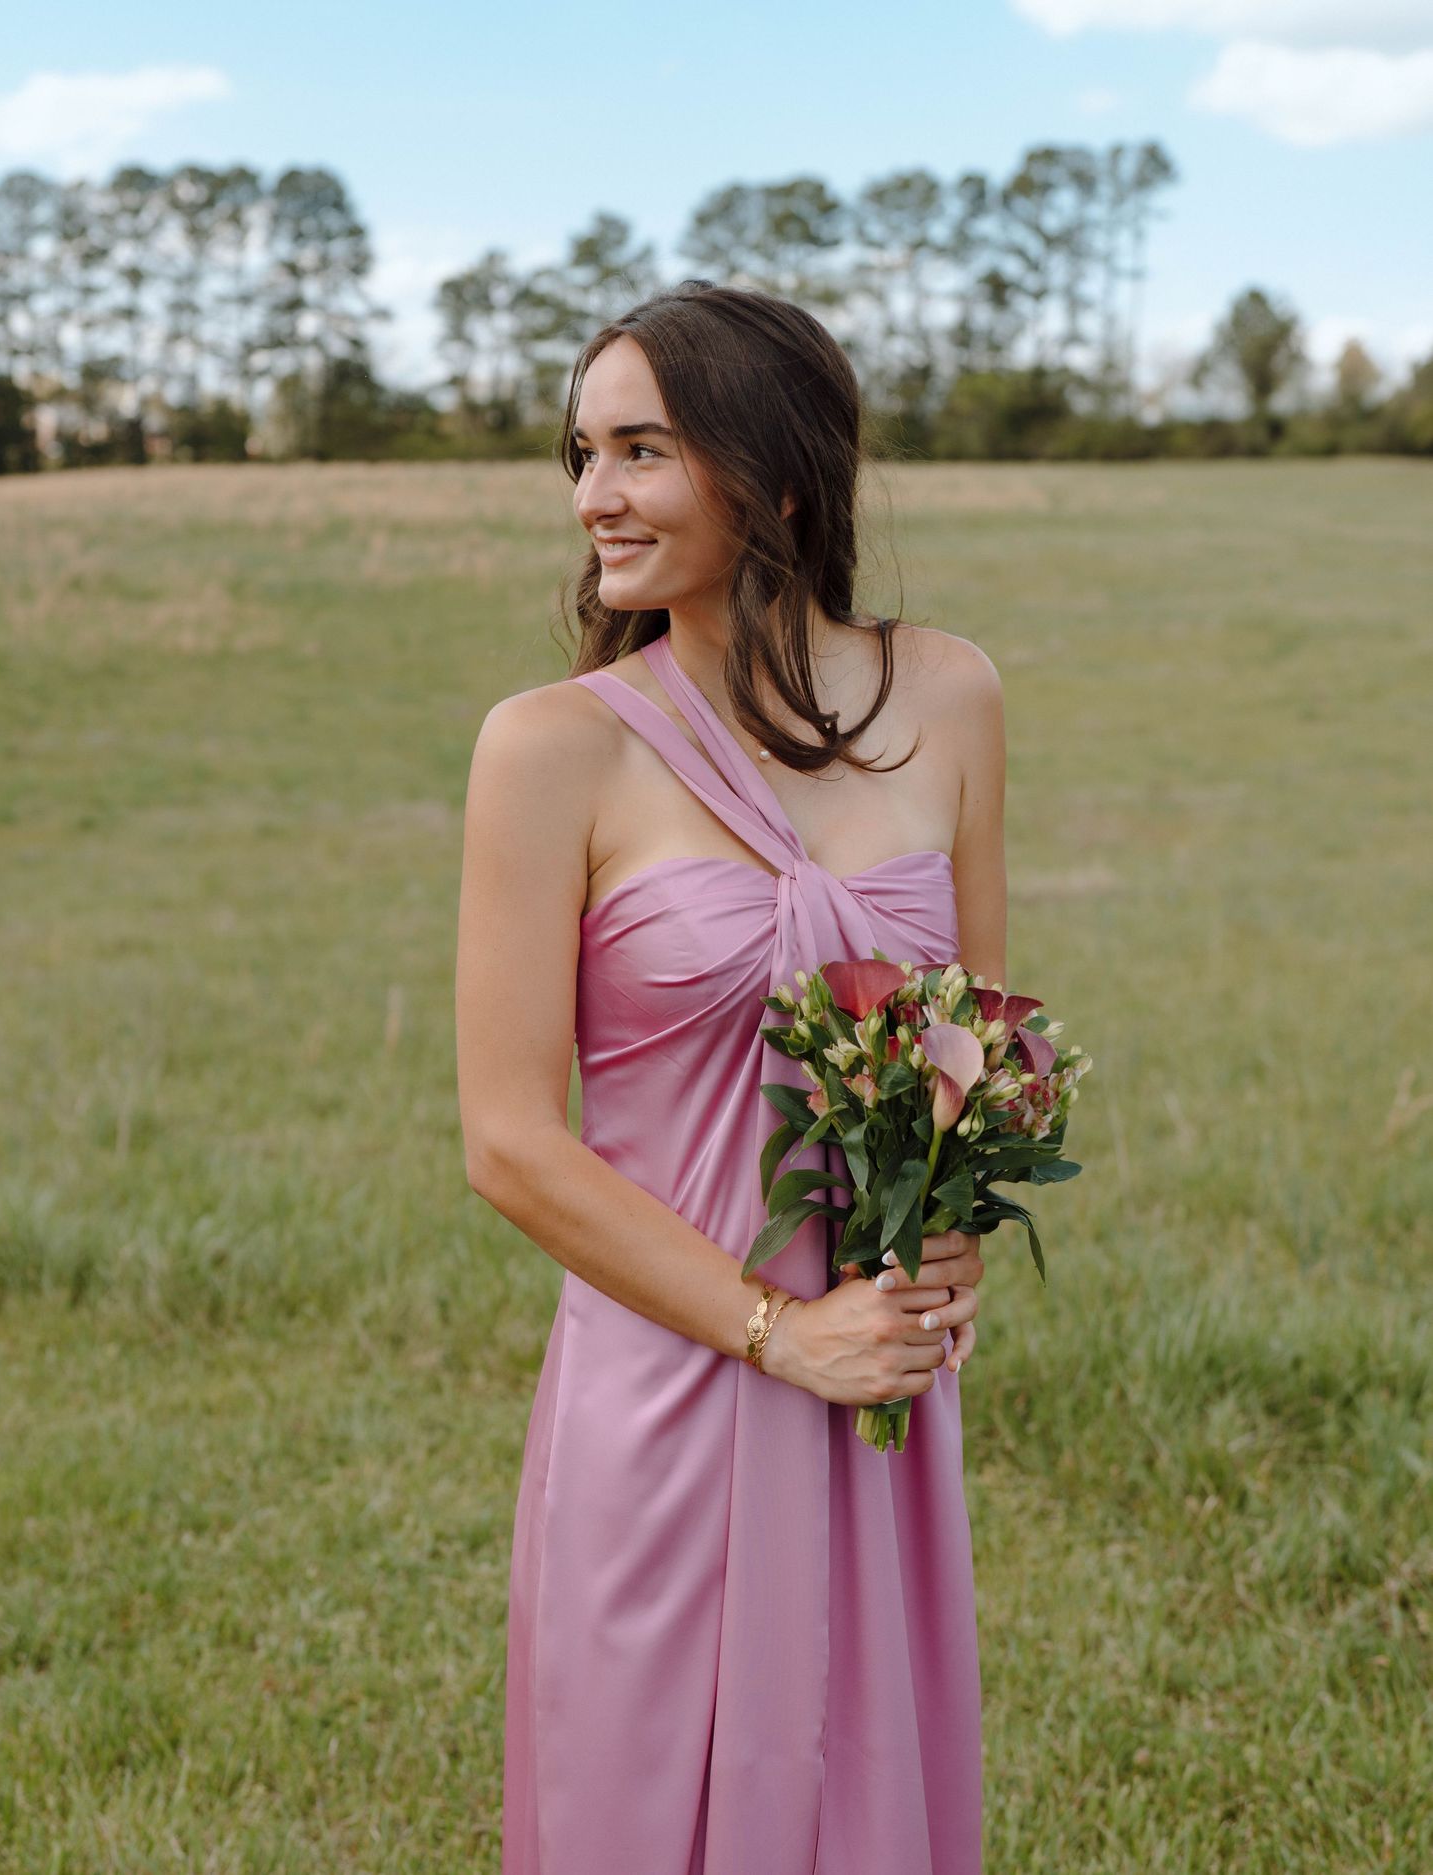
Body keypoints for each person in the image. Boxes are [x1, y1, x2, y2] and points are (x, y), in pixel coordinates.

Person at [456, 279, 1007, 1874]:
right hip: (675, 1381)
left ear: (770, 471)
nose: (591, 497)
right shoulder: (553, 746)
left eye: (640, 449)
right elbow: (506, 1140)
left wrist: (949, 1223)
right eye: (583, 452)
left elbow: (973, 1032)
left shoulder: (953, 694)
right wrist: (782, 1333)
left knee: (861, 1781)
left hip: (878, 1391)